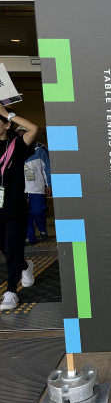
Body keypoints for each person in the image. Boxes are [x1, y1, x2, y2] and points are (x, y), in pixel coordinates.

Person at [0, 103, 38, 311]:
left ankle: (11, 291)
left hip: (15, 209)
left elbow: (33, 128)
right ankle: (25, 265)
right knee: (6, 249)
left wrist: (8, 114)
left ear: (7, 125)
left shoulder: (16, 145)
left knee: (13, 249)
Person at [22, 129, 52, 245]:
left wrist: (49, 184)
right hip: (22, 189)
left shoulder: (39, 151)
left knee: (38, 211)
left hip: (37, 188)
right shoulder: (15, 150)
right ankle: (30, 237)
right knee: (26, 214)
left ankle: (42, 229)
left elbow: (46, 169)